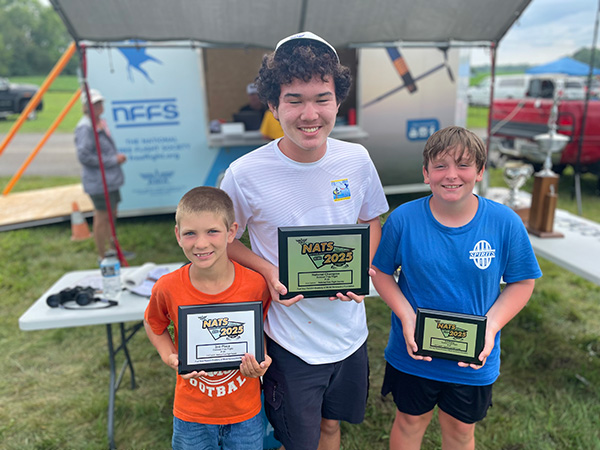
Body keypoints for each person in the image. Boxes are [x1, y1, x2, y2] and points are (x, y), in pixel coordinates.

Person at [220, 31, 389, 450]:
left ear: (338, 101)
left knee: (331, 428)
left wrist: (358, 269)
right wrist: (269, 269)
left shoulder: (357, 160)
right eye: (294, 100)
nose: (309, 114)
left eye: (322, 98)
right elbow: (226, 241)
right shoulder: (245, 173)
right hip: (289, 339)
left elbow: (370, 219)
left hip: (349, 333)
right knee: (299, 440)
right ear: (274, 105)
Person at [371, 126, 542, 450]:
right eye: (440, 166)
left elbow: (522, 282)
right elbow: (380, 272)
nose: (451, 175)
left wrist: (490, 329)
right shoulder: (404, 219)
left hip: (474, 356)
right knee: (409, 422)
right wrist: (407, 316)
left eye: (463, 165)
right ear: (426, 173)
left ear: (479, 171)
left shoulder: (505, 222)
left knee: (461, 431)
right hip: (413, 352)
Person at [144, 186, 271, 450]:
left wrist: (261, 361)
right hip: (192, 415)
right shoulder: (168, 287)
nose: (201, 244)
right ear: (178, 235)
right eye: (190, 233)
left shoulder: (256, 285)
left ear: (232, 232)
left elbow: (261, 330)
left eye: (212, 231)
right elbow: (153, 324)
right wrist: (169, 356)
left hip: (246, 412)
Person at [75, 88, 126, 260]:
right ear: (86, 106)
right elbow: (84, 156)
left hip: (110, 180)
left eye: (99, 103)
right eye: (94, 104)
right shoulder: (85, 127)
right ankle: (103, 256)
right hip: (99, 181)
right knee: (102, 216)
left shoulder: (99, 122)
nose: (98, 106)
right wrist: (113, 160)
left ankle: (113, 249)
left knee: (112, 214)